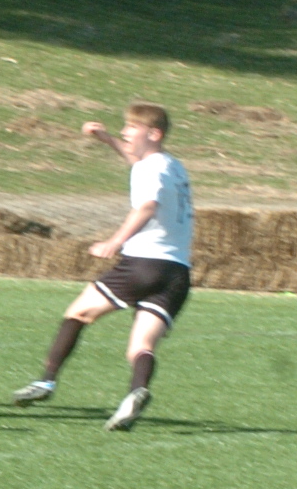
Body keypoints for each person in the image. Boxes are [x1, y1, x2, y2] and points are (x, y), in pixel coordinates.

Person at [11, 104, 194, 431]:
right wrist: (106, 139)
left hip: (143, 263)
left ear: (154, 134)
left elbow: (147, 206)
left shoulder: (148, 169)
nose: (125, 132)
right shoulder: (172, 166)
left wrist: (115, 241)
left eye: (132, 127)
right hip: (177, 273)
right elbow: (135, 160)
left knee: (78, 313)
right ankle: (136, 392)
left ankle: (46, 381)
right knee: (141, 346)